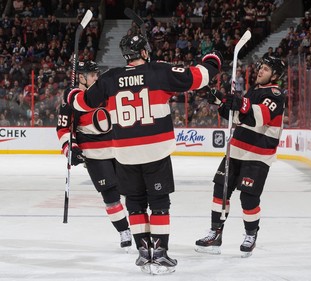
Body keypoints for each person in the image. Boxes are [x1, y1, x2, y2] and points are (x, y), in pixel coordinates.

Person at [64, 34, 222, 274]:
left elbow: (80, 103)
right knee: (159, 203)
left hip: (125, 153)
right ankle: (159, 253)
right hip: (155, 151)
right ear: (145, 52)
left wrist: (73, 93)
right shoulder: (160, 71)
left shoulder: (110, 79)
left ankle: (143, 253)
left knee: (135, 204)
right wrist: (213, 60)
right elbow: (199, 77)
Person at [195, 56, 286, 258]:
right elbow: (239, 117)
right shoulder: (254, 91)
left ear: (276, 75)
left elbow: (259, 116)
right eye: (260, 68)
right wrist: (220, 101)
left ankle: (251, 234)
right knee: (221, 189)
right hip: (236, 150)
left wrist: (239, 102)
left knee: (248, 196)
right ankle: (215, 233)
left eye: (266, 69)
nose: (260, 71)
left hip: (257, 154)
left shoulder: (275, 94)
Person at [56, 60, 132, 250]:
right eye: (92, 75)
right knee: (111, 196)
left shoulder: (104, 91)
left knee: (133, 191)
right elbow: (63, 127)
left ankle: (140, 228)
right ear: (81, 77)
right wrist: (69, 148)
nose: (97, 78)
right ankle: (124, 230)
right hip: (94, 153)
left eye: (97, 74)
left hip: (118, 148)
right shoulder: (71, 99)